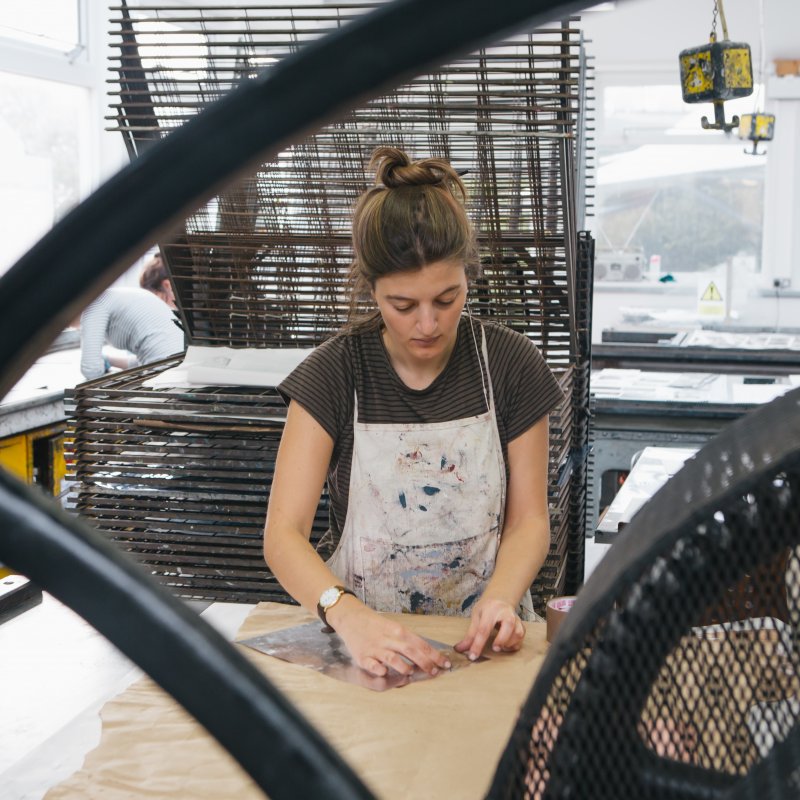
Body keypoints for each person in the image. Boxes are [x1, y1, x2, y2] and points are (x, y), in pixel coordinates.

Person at [263, 146, 564, 680]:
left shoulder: (510, 364)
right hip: (368, 650)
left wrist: (500, 599)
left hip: (484, 650)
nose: (427, 323)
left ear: (468, 276)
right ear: (372, 290)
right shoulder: (336, 371)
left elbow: (530, 521)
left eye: (446, 299)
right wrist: (348, 615)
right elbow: (283, 534)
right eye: (403, 306)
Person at [78, 286, 185, 380]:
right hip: (181, 365)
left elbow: (91, 370)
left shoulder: (93, 305)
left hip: (164, 373)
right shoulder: (119, 295)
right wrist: (109, 360)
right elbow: (154, 354)